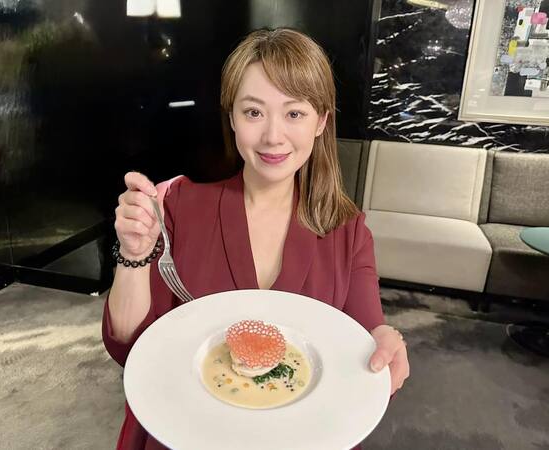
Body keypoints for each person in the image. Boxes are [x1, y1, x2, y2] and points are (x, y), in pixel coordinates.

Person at [103, 27, 410, 450]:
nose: (273, 136)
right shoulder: (179, 206)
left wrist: (385, 343)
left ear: (321, 121)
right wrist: (133, 256)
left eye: (294, 114)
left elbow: (364, 350)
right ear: (231, 117)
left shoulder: (348, 230)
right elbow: (131, 348)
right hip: (188, 433)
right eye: (253, 112)